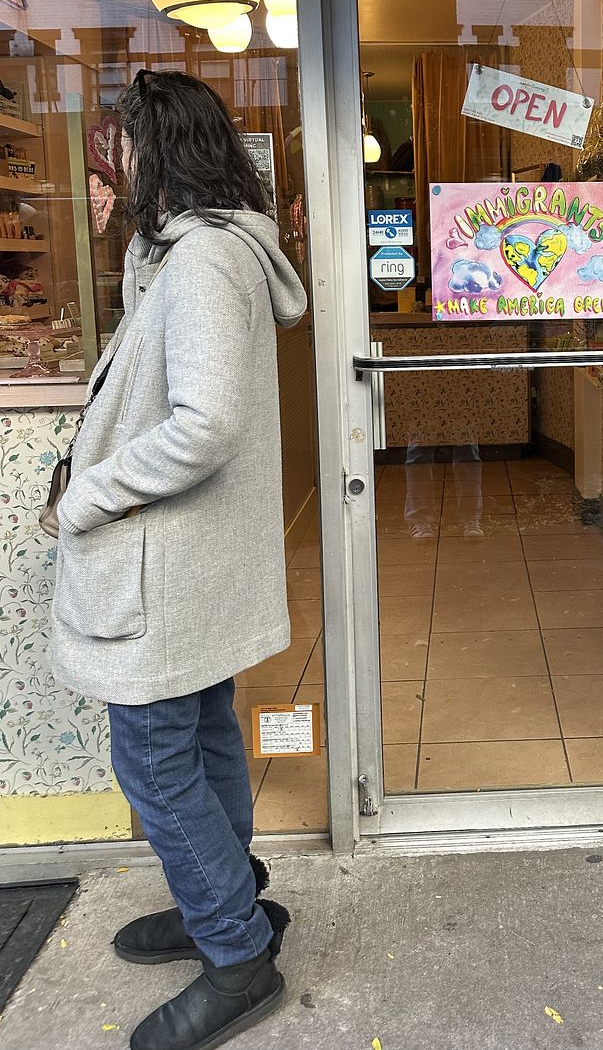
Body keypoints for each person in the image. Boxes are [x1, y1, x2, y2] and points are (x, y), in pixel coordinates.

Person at [49, 70, 307, 1050]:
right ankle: (228, 898)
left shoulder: (201, 262)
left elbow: (204, 424)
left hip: (166, 572)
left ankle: (236, 952)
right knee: (201, 738)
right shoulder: (194, 251)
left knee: (155, 764)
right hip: (187, 567)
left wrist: (88, 494)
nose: (109, 163)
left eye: (120, 147)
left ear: (155, 152)